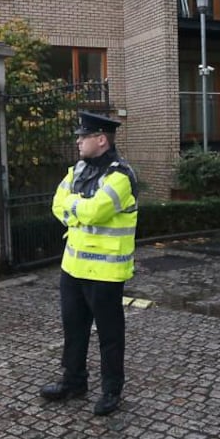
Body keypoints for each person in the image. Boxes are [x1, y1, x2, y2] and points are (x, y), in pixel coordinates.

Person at [41, 111, 138, 416]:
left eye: (83, 136)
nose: (78, 141)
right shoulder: (77, 169)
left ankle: (111, 390)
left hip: (106, 272)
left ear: (101, 139)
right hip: (73, 268)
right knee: (74, 329)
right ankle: (74, 381)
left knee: (110, 336)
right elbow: (56, 203)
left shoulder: (120, 176)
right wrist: (78, 207)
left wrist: (74, 206)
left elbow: (96, 212)